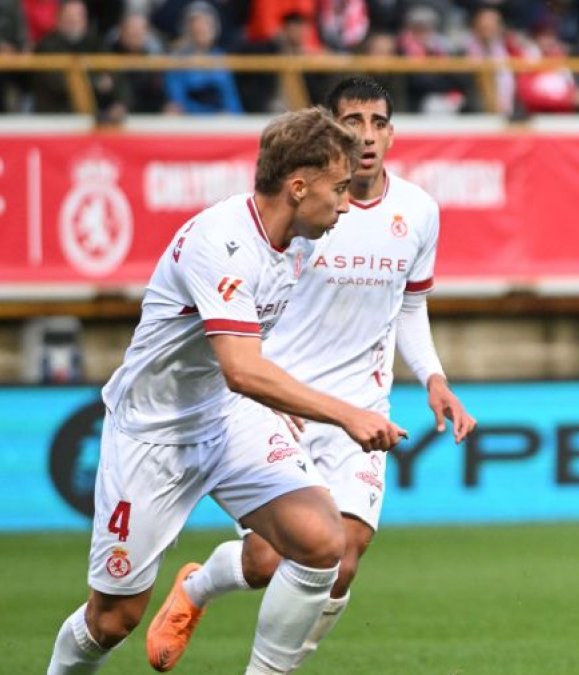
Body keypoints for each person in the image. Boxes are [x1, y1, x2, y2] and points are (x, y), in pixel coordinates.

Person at [46, 106, 405, 675]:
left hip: (227, 415)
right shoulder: (221, 241)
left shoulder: (301, 242)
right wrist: (344, 414)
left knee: (321, 542)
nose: (344, 202)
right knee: (113, 620)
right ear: (297, 185)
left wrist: (278, 405)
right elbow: (242, 366)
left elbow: (251, 362)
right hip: (152, 434)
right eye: (338, 189)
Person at [143, 76, 476, 672]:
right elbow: (257, 308)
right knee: (270, 560)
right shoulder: (308, 209)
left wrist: (433, 376)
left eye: (378, 123)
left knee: (343, 557)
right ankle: (196, 588)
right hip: (284, 400)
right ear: (331, 130)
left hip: (363, 405)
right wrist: (268, 397)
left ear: (393, 133)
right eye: (353, 122)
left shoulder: (419, 212)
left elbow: (409, 304)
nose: (366, 136)